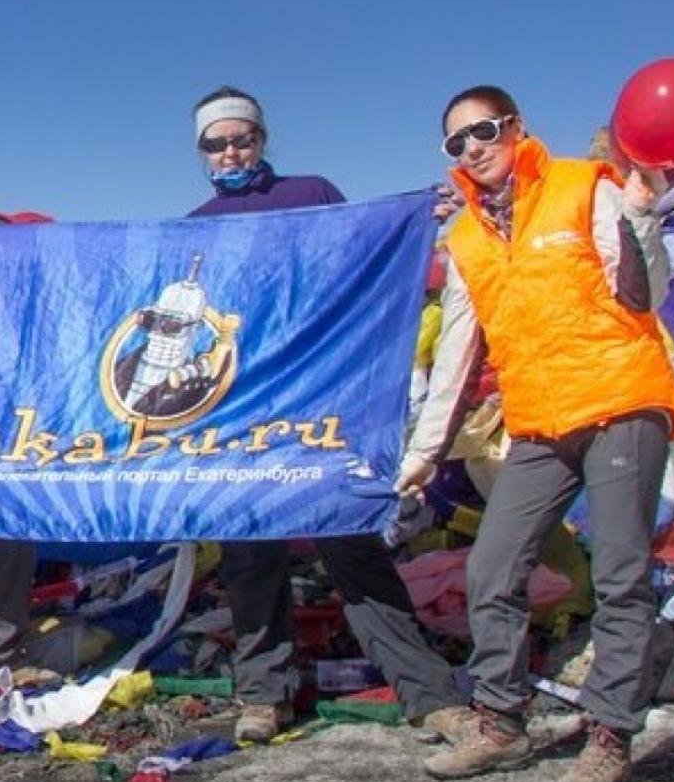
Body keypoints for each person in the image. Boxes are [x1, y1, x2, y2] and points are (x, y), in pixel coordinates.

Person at [400, 85, 674, 782]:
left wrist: (641, 219)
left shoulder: (581, 187)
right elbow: (457, 356)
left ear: (516, 127)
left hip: (622, 398)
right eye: (457, 141)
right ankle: (501, 723)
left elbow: (643, 295)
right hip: (537, 421)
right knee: (491, 568)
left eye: (485, 130)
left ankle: (609, 737)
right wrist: (423, 454)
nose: (474, 147)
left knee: (622, 574)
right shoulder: (466, 238)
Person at [189, 86, 472, 743]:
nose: (232, 150)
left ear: (262, 139)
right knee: (249, 557)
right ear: (201, 150)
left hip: (320, 407)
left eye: (243, 137)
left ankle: (428, 694)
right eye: (217, 142)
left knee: (352, 546)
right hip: (240, 415)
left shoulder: (312, 194)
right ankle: (265, 694)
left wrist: (415, 217)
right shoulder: (197, 224)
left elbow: (365, 263)